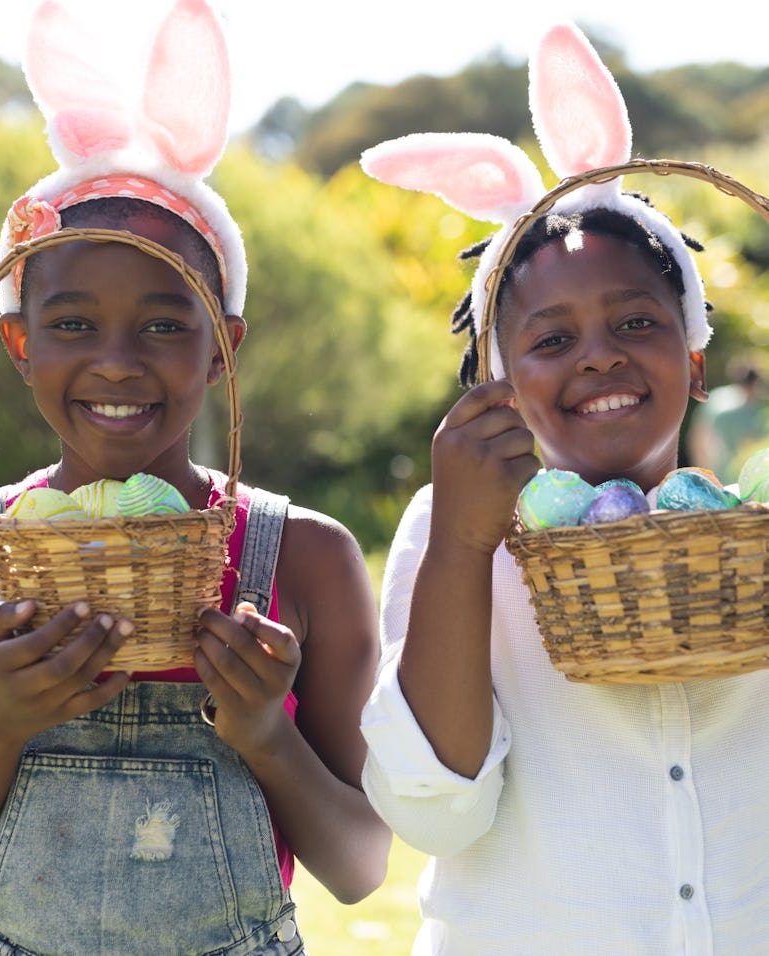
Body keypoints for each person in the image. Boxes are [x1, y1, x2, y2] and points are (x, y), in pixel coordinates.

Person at [0, 2, 390, 953]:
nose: (116, 361)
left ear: (223, 346)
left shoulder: (302, 559)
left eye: (163, 322)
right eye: (70, 324)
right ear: (16, 341)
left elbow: (360, 869)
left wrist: (267, 732)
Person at [358, 21, 769, 955]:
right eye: (550, 340)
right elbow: (438, 815)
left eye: (635, 320)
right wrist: (465, 541)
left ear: (695, 359)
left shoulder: (748, 537)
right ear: (500, 379)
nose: (600, 356)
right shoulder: (457, 531)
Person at [686, 353, 769, 484]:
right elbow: (700, 441)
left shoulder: (716, 400)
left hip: (729, 477)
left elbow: (699, 443)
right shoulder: (721, 406)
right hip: (732, 477)